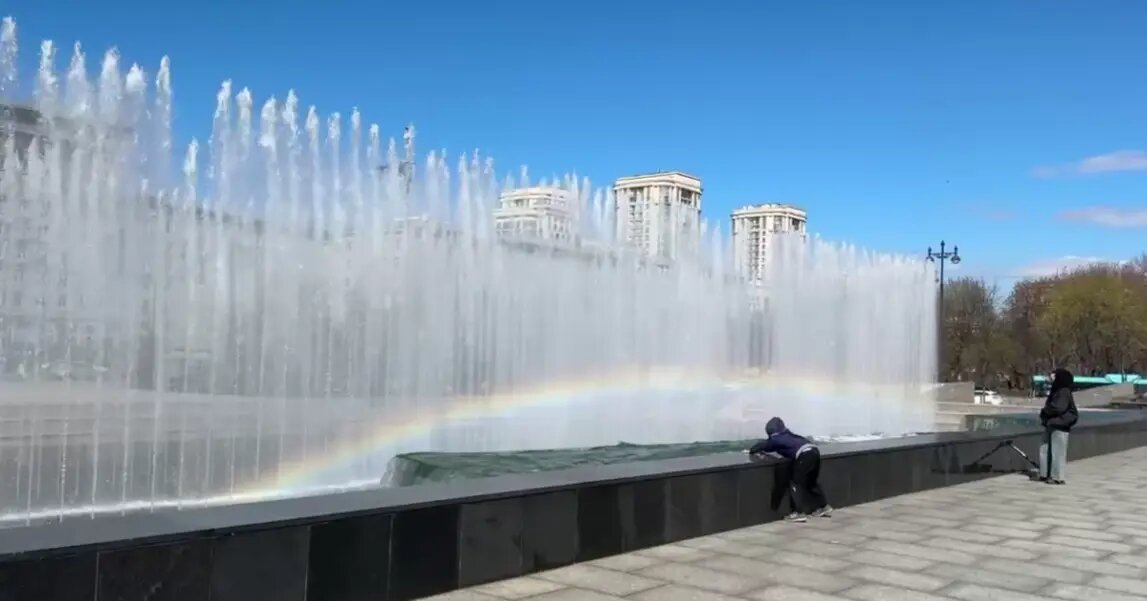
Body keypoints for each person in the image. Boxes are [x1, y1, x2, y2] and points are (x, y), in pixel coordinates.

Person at [748, 417, 832, 522]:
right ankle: (824, 507)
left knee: (795, 483)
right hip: (814, 451)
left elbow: (758, 447)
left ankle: (798, 513)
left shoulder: (776, 439)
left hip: (804, 455)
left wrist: (754, 450)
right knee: (811, 483)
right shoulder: (789, 435)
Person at [1039, 368, 1079, 484]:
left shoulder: (1063, 391)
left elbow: (1058, 407)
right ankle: (1045, 473)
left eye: (1054, 375)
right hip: (1052, 423)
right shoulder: (1058, 390)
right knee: (1045, 449)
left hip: (1059, 424)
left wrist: (1045, 411)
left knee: (1057, 452)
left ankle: (1057, 477)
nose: (1051, 377)